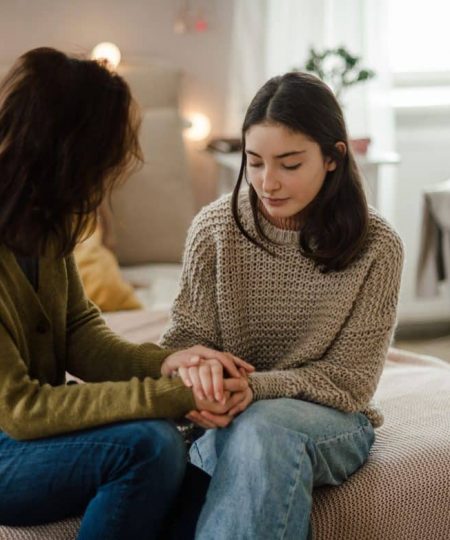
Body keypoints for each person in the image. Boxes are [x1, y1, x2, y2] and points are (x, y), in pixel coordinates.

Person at [0, 47, 254, 540]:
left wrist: (169, 363)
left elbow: (80, 334)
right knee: (150, 446)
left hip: (32, 434)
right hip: (8, 446)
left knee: (212, 485)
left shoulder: (47, 221)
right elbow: (22, 410)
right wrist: (169, 397)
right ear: (69, 151)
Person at [160, 71, 404, 539]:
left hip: (332, 420)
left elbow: (350, 383)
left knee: (263, 428)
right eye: (254, 163)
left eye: (289, 165)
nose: (267, 183)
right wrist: (201, 373)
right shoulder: (215, 229)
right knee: (244, 432)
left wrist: (257, 389)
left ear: (333, 157)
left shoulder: (378, 246)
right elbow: (184, 341)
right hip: (229, 412)